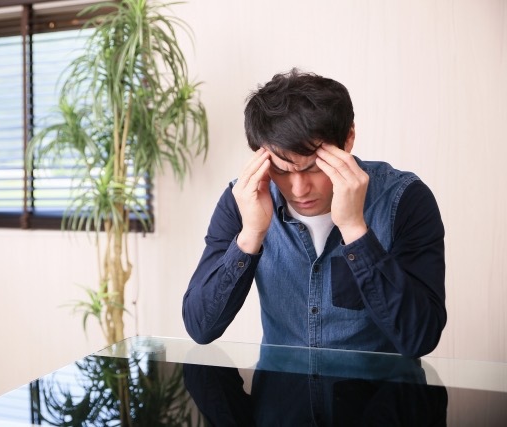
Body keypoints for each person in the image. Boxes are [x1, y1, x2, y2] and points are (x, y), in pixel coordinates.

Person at [182, 68, 446, 358]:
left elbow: (420, 338)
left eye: (313, 168)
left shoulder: (404, 199)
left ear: (348, 138)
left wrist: (355, 231)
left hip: (379, 387)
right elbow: (200, 328)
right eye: (281, 170)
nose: (299, 189)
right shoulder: (243, 200)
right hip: (280, 386)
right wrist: (250, 236)